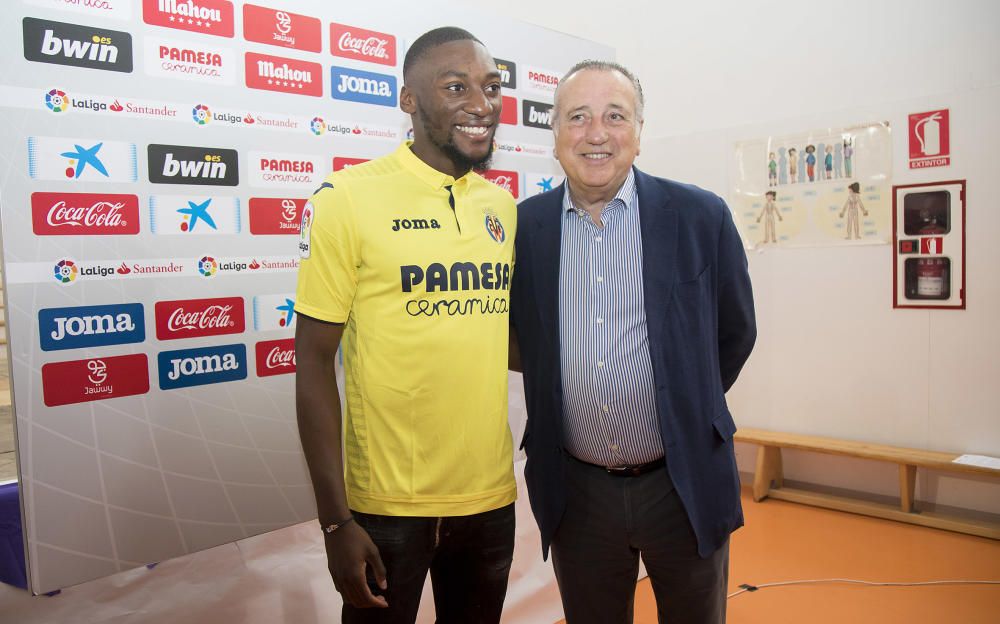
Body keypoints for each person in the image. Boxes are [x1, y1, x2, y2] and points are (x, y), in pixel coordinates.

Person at [510, 60, 756, 624]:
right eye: (578, 117)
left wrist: (681, 404)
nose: (597, 133)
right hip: (578, 494)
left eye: (615, 116)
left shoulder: (700, 216)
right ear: (555, 136)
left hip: (683, 481)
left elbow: (735, 331)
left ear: (640, 133)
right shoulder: (525, 230)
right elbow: (517, 338)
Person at [294, 27, 517, 624]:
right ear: (408, 101)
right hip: (385, 508)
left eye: (491, 87)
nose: (481, 104)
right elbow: (312, 362)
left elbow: (501, 337)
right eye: (456, 86)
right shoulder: (346, 198)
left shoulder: (500, 208)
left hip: (490, 500)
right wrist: (336, 519)